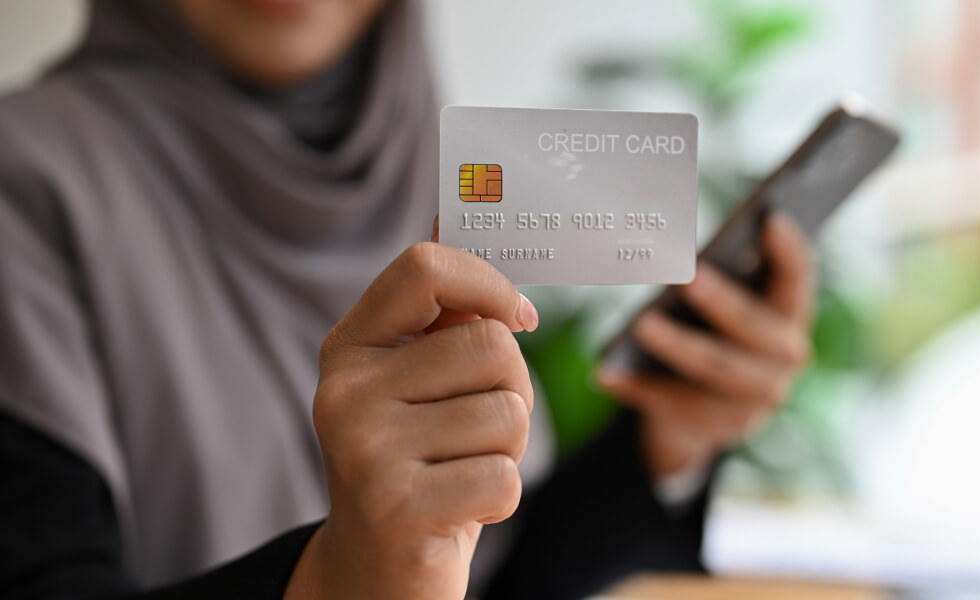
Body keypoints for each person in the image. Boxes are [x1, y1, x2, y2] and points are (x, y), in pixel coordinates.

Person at [0, 0, 814, 598]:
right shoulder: (24, 185)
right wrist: (335, 577)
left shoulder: (432, 163)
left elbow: (497, 573)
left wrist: (671, 436)